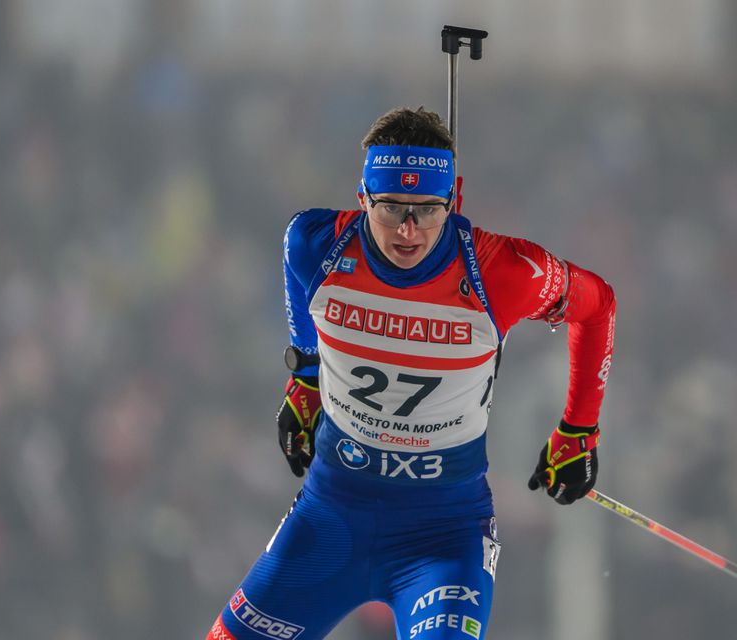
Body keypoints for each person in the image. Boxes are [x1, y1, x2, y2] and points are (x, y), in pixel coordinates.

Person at [206, 106, 616, 640]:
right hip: (330, 519)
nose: (408, 229)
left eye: (427, 209)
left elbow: (597, 306)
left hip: (442, 536)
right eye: (391, 207)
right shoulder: (316, 244)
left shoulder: (503, 271)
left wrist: (579, 430)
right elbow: (298, 278)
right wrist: (304, 379)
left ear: (454, 199)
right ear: (363, 198)